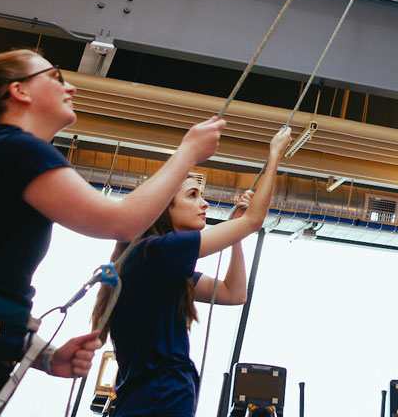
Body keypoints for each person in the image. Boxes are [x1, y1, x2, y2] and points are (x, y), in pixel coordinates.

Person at [0, 49, 225, 414]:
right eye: (56, 77)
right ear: (19, 91)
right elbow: (121, 222)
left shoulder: (2, 152)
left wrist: (46, 356)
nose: (71, 87)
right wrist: (187, 154)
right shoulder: (16, 148)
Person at [92, 124, 293, 417]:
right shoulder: (157, 251)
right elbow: (254, 220)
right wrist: (275, 154)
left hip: (151, 399)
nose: (205, 202)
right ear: (164, 208)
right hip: (160, 400)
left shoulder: (161, 266)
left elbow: (234, 293)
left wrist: (235, 236)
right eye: (193, 195)